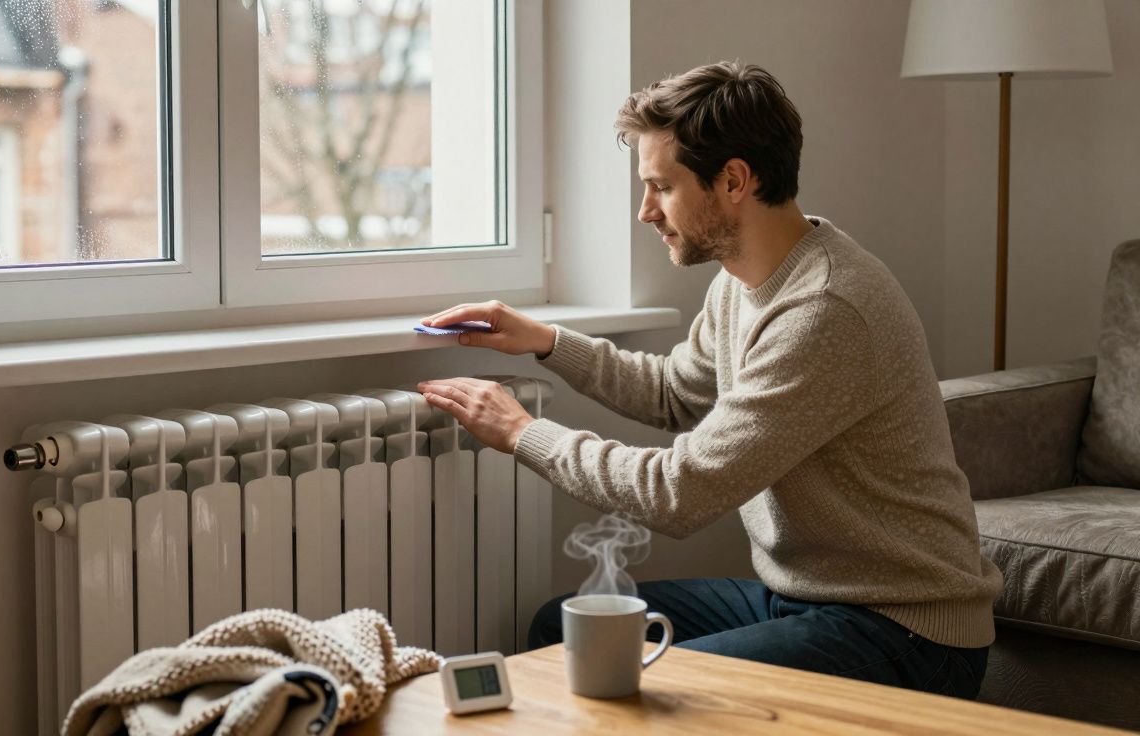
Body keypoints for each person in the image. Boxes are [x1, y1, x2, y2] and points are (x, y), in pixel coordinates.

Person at [415, 61, 1002, 699]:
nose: (645, 211)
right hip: (797, 602)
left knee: (660, 691)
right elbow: (675, 392)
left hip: (906, 634)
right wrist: (546, 341)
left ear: (733, 181)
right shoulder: (742, 281)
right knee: (559, 627)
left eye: (661, 187)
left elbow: (679, 494)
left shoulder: (824, 311)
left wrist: (522, 432)